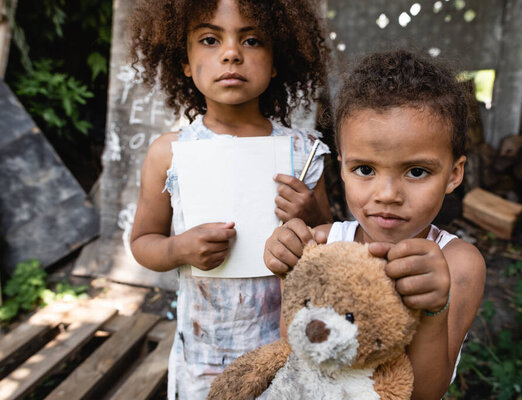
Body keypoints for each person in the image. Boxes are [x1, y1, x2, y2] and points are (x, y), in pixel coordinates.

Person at [128, 0, 332, 398]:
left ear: (276, 61)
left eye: (252, 40)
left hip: (289, 352)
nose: (231, 53)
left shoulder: (303, 152)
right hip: (204, 355)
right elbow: (142, 243)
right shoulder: (169, 153)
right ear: (184, 61)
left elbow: (331, 243)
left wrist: (309, 214)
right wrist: (178, 249)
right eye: (209, 39)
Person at [264, 49, 486, 399]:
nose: (387, 194)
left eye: (417, 171)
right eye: (365, 169)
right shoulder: (323, 245)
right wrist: (289, 277)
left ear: (453, 174)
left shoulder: (458, 265)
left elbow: (426, 392)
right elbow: (296, 354)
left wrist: (433, 311)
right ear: (342, 167)